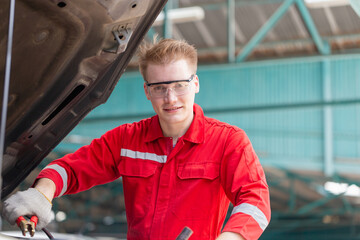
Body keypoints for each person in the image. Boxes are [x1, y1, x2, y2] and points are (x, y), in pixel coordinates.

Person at [2, 38, 271, 240]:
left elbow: (255, 201)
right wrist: (41, 194)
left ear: (196, 84)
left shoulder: (228, 142)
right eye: (160, 88)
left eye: (180, 85)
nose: (171, 98)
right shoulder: (127, 140)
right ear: (146, 91)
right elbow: (70, 169)